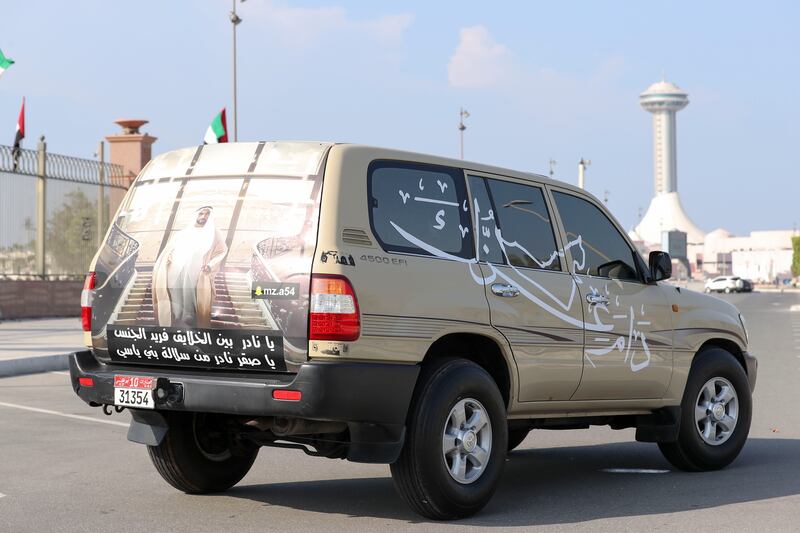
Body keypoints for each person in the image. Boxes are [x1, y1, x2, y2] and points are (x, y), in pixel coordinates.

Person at [152, 206, 228, 328]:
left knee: (193, 298)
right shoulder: (183, 233)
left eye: (207, 214)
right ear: (196, 215)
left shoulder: (214, 233)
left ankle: (191, 320)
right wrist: (169, 257)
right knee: (174, 294)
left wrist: (210, 265)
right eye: (201, 214)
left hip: (198, 273)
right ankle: (176, 319)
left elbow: (221, 252)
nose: (203, 216)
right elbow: (170, 250)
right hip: (175, 271)